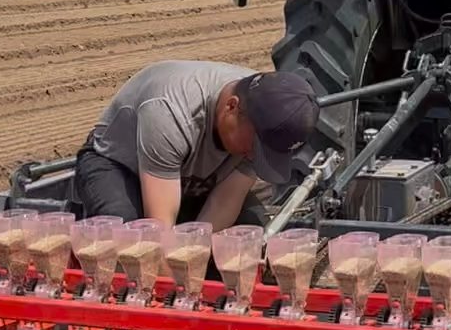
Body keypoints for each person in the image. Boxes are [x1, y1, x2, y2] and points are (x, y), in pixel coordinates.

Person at [74, 59, 319, 230]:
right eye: (257, 147)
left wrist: (195, 249)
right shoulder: (170, 111)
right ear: (231, 107)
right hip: (120, 166)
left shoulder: (265, 117)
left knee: (248, 233)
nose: (256, 156)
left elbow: (226, 199)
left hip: (189, 178)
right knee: (131, 235)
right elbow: (160, 227)